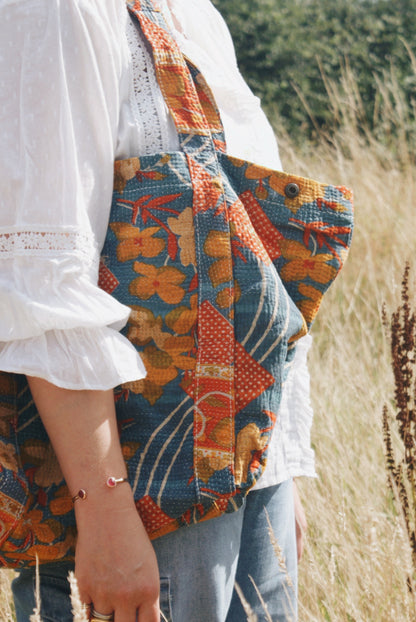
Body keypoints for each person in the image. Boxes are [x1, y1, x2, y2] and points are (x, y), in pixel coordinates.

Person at [0, 1, 316, 620]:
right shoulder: (58, 10)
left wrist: (276, 473)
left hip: (247, 469)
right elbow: (44, 288)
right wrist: (105, 509)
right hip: (142, 494)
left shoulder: (194, 12)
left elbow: (250, 266)